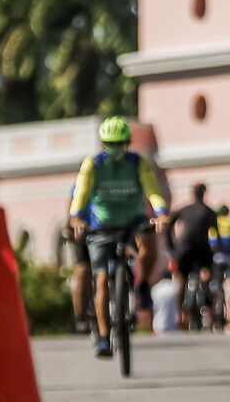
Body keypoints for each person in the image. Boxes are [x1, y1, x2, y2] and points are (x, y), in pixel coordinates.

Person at [69, 116, 168, 358]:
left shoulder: (139, 163)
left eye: (121, 144)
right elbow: (81, 193)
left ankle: (143, 285)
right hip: (101, 224)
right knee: (101, 280)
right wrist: (76, 217)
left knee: (149, 240)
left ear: (128, 143)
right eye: (110, 144)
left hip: (132, 220)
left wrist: (161, 212)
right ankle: (103, 337)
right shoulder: (92, 164)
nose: (116, 150)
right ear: (103, 144)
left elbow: (153, 190)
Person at [167, 183, 219, 330]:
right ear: (204, 194)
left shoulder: (184, 209)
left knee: (180, 279)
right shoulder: (209, 211)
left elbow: (168, 226)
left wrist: (171, 246)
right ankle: (209, 314)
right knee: (206, 277)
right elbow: (216, 235)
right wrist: (216, 250)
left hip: (184, 248)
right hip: (202, 248)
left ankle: (180, 314)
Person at [65, 185, 93, 333]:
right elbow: (72, 204)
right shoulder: (82, 179)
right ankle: (80, 317)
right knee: (83, 271)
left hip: (108, 228)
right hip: (83, 232)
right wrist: (68, 226)